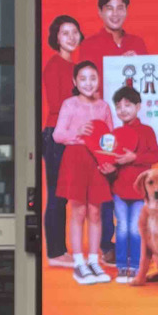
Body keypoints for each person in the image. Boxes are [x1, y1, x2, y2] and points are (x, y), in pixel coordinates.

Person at [76, 0, 147, 264]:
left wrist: (138, 64)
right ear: (100, 12)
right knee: (105, 183)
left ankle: (138, 243)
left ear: (127, 11)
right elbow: (86, 86)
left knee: (134, 178)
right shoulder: (90, 45)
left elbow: (148, 84)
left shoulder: (138, 43)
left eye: (120, 8)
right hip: (104, 125)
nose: (115, 13)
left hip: (133, 124)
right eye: (109, 8)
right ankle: (108, 244)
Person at [52, 60, 113, 285]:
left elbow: (110, 138)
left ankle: (94, 261)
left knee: (95, 212)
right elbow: (57, 135)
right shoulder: (69, 105)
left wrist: (109, 159)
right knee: (78, 212)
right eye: (83, 79)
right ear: (75, 82)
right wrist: (77, 132)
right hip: (75, 159)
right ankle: (79, 263)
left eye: (93, 78)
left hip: (97, 160)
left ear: (99, 80)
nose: (88, 83)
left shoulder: (104, 107)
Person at [100, 85, 158, 284]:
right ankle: (122, 268)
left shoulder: (147, 131)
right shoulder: (114, 133)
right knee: (122, 228)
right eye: (118, 106)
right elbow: (108, 158)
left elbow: (156, 155)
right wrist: (109, 168)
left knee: (135, 229)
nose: (123, 110)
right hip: (119, 190)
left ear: (138, 106)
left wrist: (134, 157)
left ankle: (135, 267)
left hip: (140, 192)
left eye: (128, 105)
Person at [42, 14, 82, 267]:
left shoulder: (75, 68)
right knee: (57, 196)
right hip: (56, 135)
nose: (71, 37)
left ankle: (59, 250)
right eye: (65, 33)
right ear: (56, 38)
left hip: (69, 136)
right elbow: (58, 105)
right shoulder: (55, 65)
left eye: (75, 32)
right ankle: (56, 252)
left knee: (63, 195)